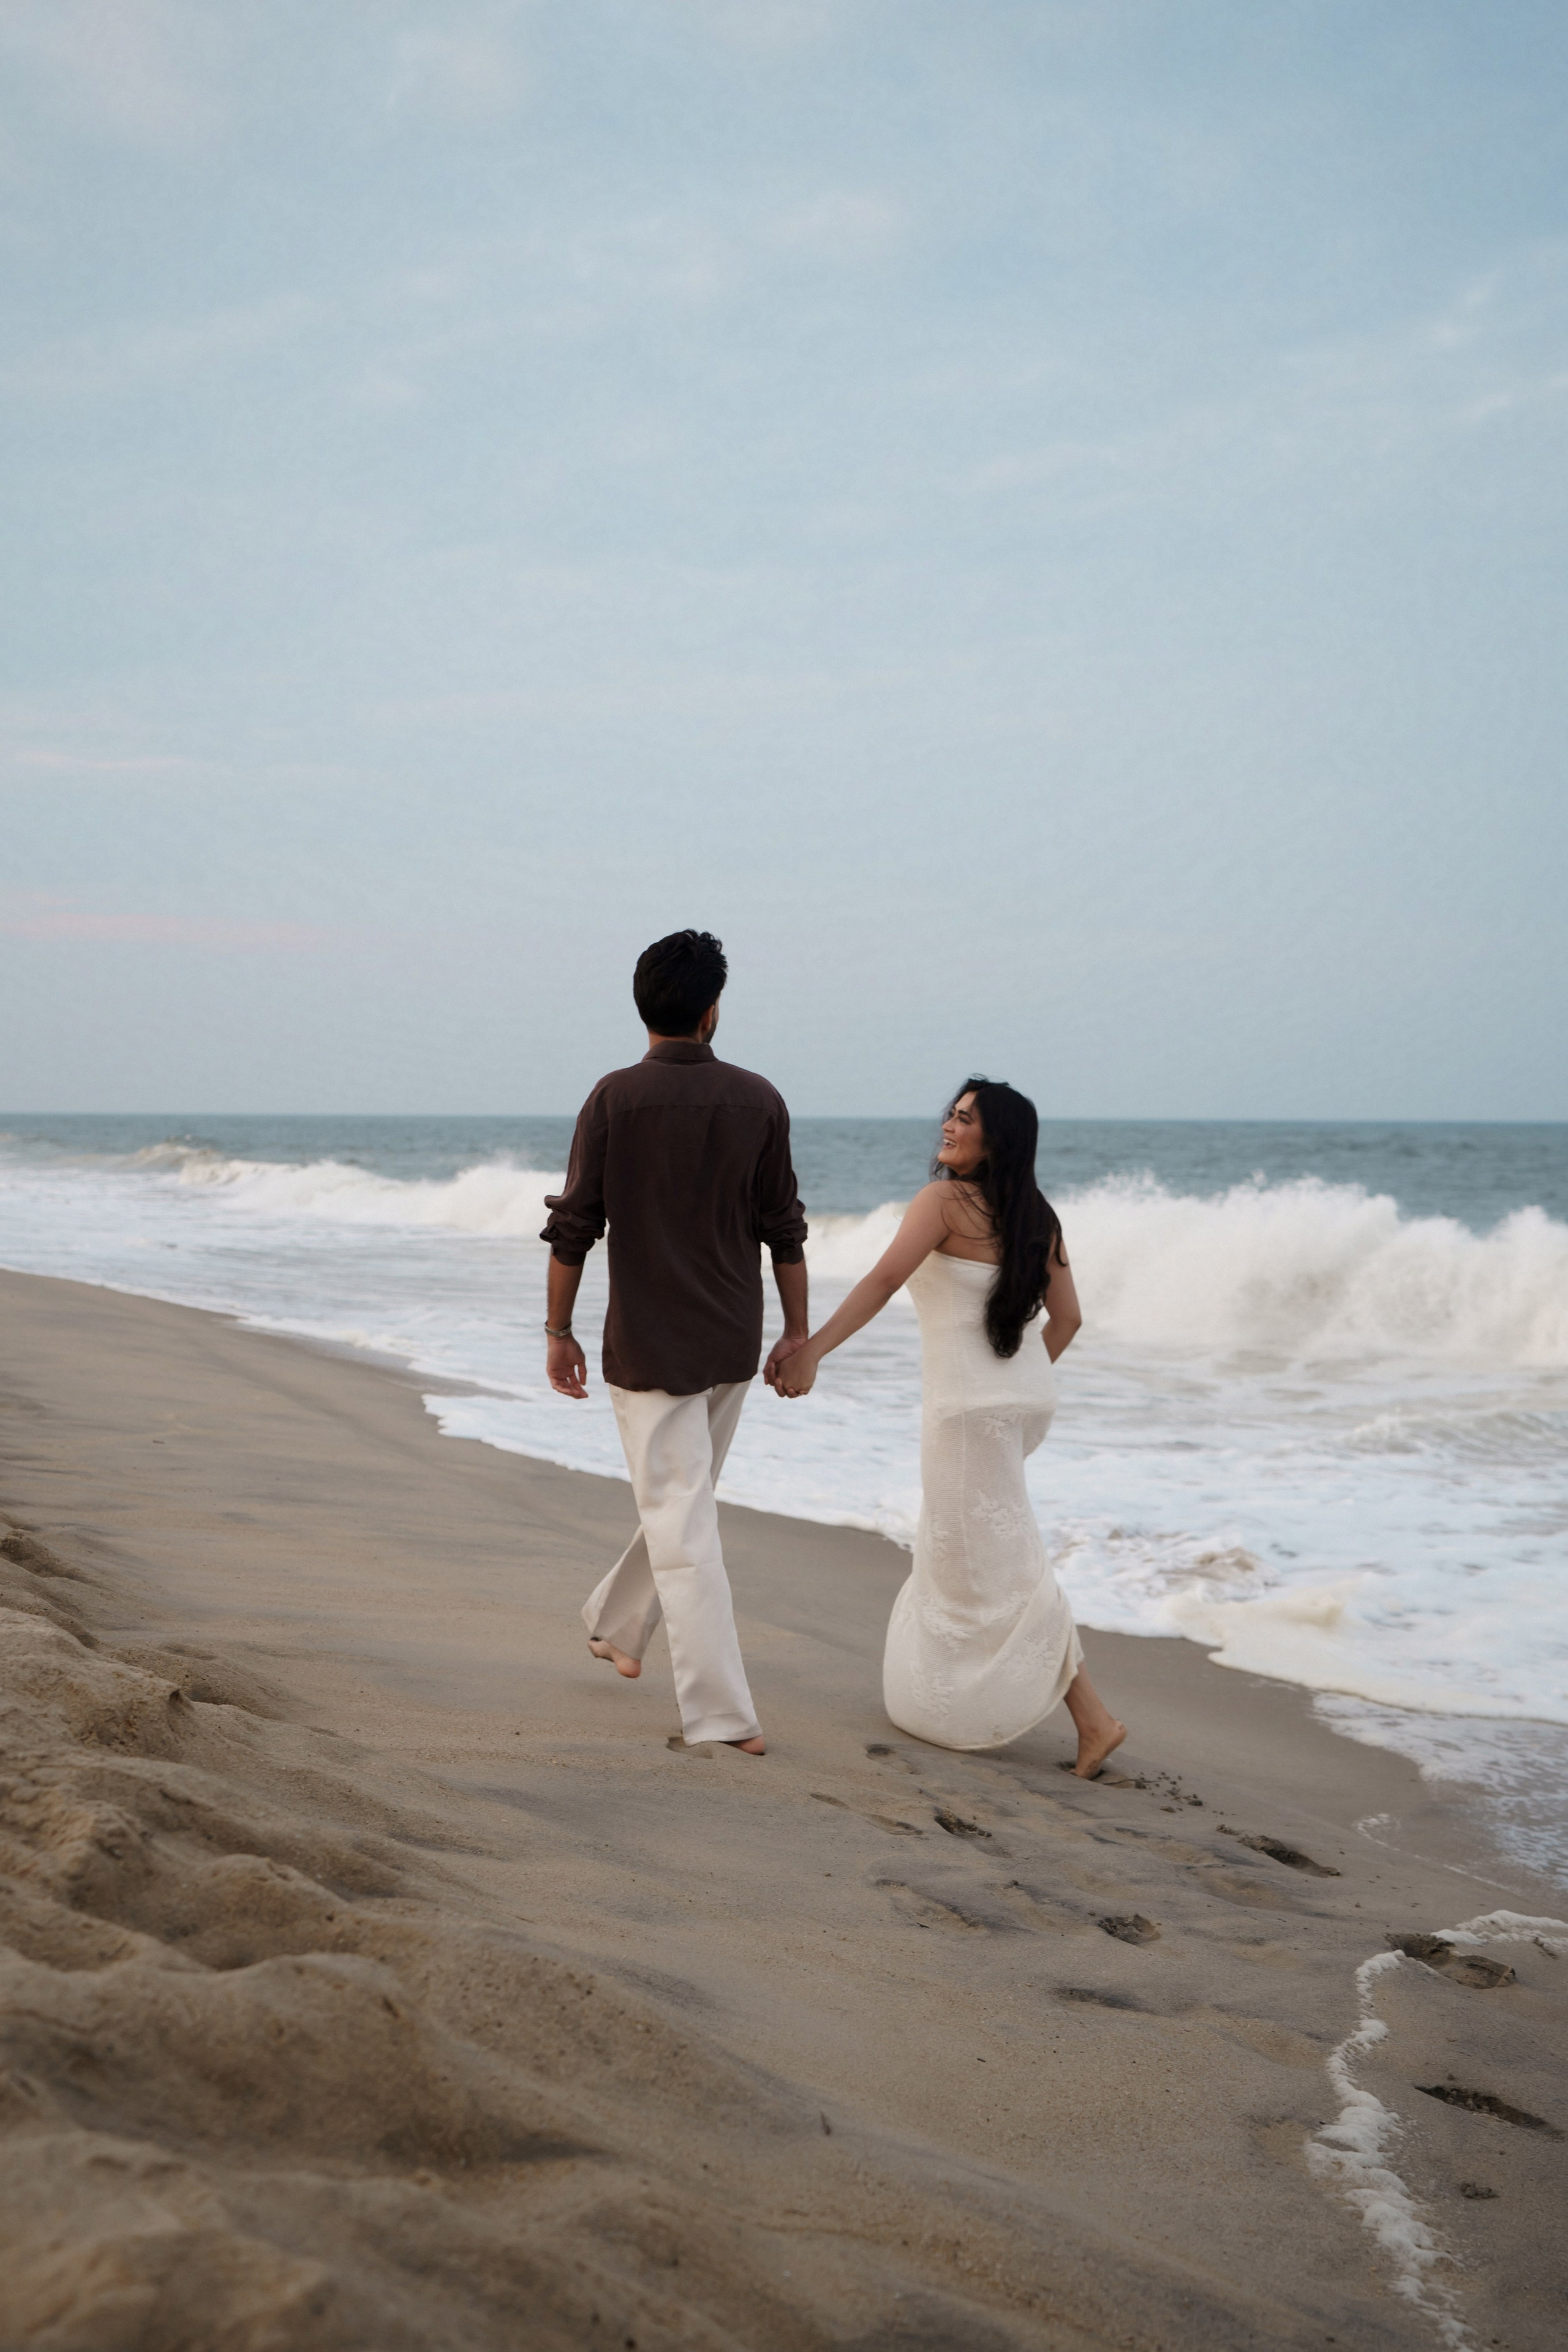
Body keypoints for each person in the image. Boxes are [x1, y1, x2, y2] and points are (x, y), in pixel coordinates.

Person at [777, 1078, 1125, 1776]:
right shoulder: (1037, 1215)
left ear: (994, 1139)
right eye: (952, 1113)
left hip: (965, 1413)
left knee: (1000, 1567)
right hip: (1013, 1404)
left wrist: (811, 1349)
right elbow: (1068, 1320)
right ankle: (1063, 1712)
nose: (949, 1125)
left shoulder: (942, 1201)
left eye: (965, 1119)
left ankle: (1095, 1720)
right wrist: (1017, 1381)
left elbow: (881, 1281)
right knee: (992, 1556)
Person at [540, 929, 808, 1757]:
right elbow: (785, 1232)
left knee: (681, 1517)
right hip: (732, 1335)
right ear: (711, 1009)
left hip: (650, 1344)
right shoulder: (760, 1098)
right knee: (684, 1509)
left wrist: (558, 1330)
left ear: (644, 1006)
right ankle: (625, 1630)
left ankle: (719, 1713)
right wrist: (798, 1333)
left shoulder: (614, 1098)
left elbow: (574, 1226)